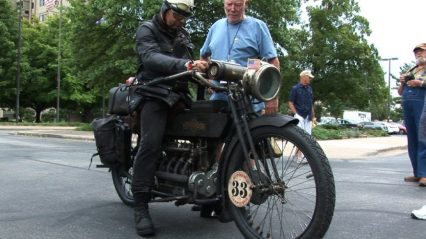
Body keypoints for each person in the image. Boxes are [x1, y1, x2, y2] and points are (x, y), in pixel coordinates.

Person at [132, 0, 208, 236]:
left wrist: (209, 79)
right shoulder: (147, 29)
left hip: (178, 96)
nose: (180, 20)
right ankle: (141, 207)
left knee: (210, 131)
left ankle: (210, 197)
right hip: (154, 93)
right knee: (151, 143)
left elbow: (192, 69)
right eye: (177, 15)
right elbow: (151, 58)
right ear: (165, 10)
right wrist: (185, 64)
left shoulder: (182, 34)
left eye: (184, 17)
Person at [200, 0, 280, 115]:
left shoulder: (258, 26)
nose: (232, 9)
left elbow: (273, 62)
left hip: (249, 99)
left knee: (253, 132)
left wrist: (272, 98)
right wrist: (208, 79)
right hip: (220, 97)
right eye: (229, 4)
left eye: (237, 4)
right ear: (224, 3)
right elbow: (203, 57)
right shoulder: (215, 27)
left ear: (245, 4)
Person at [398, 43, 426, 187]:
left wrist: (420, 83)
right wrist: (403, 82)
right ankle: (417, 172)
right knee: (412, 139)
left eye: (421, 51)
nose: (418, 54)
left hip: (422, 103)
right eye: (416, 52)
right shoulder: (411, 69)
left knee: (423, 137)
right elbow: (400, 92)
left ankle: (424, 174)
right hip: (408, 104)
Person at [289, 70, 315, 135]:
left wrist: (313, 114)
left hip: (308, 116)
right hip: (299, 115)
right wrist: (296, 114)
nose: (310, 79)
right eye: (309, 77)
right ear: (304, 77)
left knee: (309, 136)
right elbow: (290, 103)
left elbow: (310, 102)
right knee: (300, 136)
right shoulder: (295, 88)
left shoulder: (310, 89)